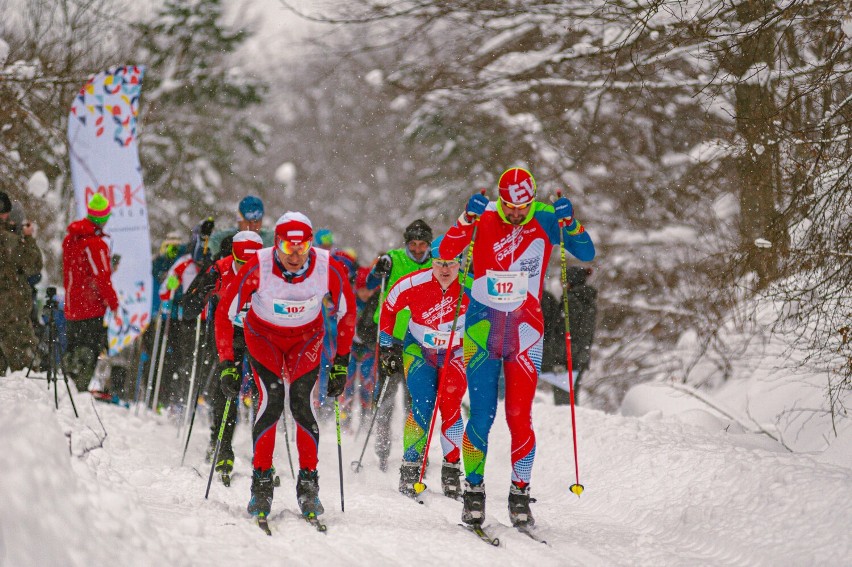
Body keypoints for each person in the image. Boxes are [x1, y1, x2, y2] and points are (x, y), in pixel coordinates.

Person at [440, 167, 595, 528]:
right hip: (482, 329)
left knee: (520, 417)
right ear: (500, 198)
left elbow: (586, 252)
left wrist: (569, 222)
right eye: (508, 205)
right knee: (481, 415)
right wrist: (466, 217)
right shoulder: (485, 216)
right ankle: (474, 492)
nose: (514, 213)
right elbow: (447, 251)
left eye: (521, 207)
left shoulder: (543, 216)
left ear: (532, 200)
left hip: (526, 331)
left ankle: (520, 494)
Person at [214, 211, 356, 521]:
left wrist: (342, 362)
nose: (294, 257)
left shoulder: (326, 266)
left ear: (310, 245)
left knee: (302, 404)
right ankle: (261, 483)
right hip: (263, 338)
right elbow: (225, 314)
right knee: (271, 402)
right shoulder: (259, 266)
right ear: (275, 243)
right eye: (287, 248)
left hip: (305, 340)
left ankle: (308, 484)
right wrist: (227, 362)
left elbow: (347, 311)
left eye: (302, 249)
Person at [380, 237, 468, 500]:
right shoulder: (413, 283)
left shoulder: (471, 286)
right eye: (439, 263)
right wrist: (386, 346)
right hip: (419, 348)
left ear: (460, 263)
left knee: (451, 405)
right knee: (422, 404)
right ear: (431, 260)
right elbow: (388, 308)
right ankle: (410, 468)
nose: (444, 270)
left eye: (450, 264)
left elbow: (491, 315)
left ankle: (451, 470)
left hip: (456, 351)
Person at [182, 231, 264, 482]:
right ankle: (222, 445)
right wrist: (202, 292)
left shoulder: (271, 269)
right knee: (226, 387)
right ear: (233, 256)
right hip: (229, 333)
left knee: (265, 392)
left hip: (260, 332)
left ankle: (263, 456)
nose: (245, 270)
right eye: (241, 263)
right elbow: (187, 309)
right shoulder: (220, 269)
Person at [366, 219, 433, 471]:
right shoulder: (393, 259)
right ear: (406, 243)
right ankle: (382, 450)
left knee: (416, 400)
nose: (417, 249)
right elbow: (371, 286)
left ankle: (415, 453)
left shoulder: (436, 262)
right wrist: (377, 271)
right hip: (390, 339)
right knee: (385, 397)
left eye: (422, 245)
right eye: (413, 244)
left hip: (421, 340)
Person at [61, 193, 119, 391]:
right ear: (103, 218)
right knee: (87, 353)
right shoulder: (95, 244)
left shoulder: (70, 239)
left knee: (72, 351)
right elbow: (101, 278)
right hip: (90, 308)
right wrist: (114, 303)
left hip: (71, 307)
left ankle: (66, 390)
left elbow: (77, 272)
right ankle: (78, 391)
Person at [0, 191, 43, 374]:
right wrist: (28, 238)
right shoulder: (11, 242)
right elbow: (34, 265)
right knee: (26, 369)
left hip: (10, 311)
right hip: (11, 313)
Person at [553, 267, 597, 406]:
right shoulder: (588, 300)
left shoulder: (570, 301)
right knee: (571, 394)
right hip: (581, 354)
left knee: (563, 399)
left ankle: (564, 423)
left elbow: (563, 331)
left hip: (567, 355)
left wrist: (557, 357)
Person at [208, 195, 274, 259]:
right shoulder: (222, 239)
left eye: (257, 221)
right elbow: (203, 259)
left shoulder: (271, 239)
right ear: (239, 220)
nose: (253, 226)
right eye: (248, 221)